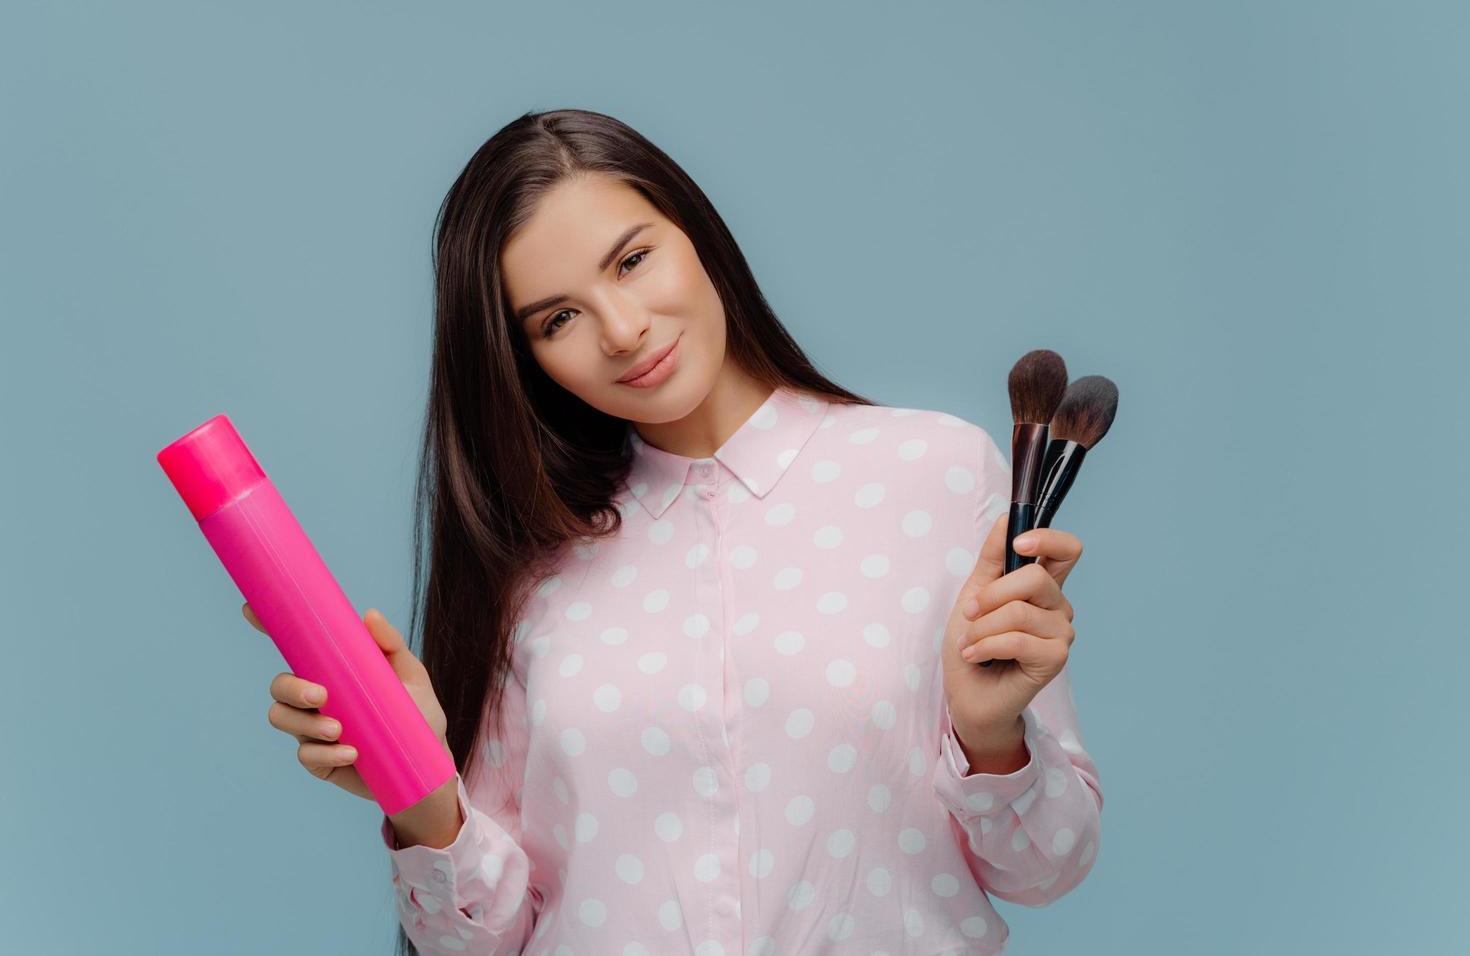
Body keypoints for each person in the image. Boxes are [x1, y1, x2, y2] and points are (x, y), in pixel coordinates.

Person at [244, 109, 1103, 955]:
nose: (623, 331)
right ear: (525, 360)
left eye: (633, 260)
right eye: (558, 319)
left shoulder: (938, 475)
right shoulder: (531, 566)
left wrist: (994, 740)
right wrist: (421, 792)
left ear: (696, 233)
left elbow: (1045, 869)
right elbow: (478, 944)